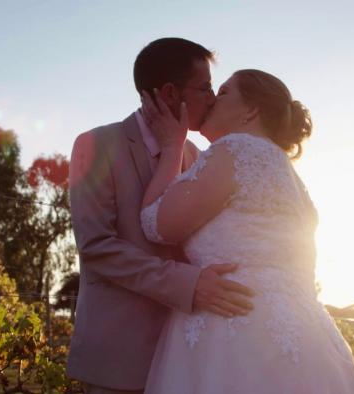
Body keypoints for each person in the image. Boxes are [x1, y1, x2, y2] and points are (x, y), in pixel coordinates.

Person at [139, 69, 354, 393]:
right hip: (305, 335)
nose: (212, 101)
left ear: (251, 109)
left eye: (224, 93)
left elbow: (154, 223)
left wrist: (172, 148)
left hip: (232, 329)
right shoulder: (287, 172)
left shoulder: (234, 150)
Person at [66, 38, 255, 394]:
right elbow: (97, 247)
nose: (212, 98)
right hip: (118, 361)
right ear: (171, 93)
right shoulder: (95, 146)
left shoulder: (199, 157)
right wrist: (189, 284)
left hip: (187, 357)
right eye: (205, 87)